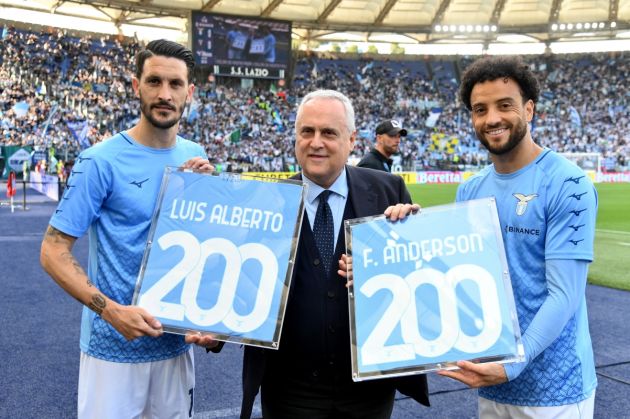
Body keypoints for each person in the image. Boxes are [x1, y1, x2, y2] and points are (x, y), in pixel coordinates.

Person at [40, 39, 218, 419]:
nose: (164, 94)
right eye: (154, 81)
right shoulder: (99, 161)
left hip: (174, 348)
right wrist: (110, 311)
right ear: (136, 86)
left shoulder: (195, 155)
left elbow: (201, 244)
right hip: (112, 351)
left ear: (190, 93)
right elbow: (53, 250)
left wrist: (211, 320)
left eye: (175, 84)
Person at [240, 90, 429, 419]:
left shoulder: (389, 191)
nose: (316, 142)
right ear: (295, 136)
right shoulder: (265, 201)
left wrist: (408, 248)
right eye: (307, 131)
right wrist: (211, 333)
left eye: (329, 132)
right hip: (288, 391)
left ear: (352, 139)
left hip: (368, 391)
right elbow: (240, 287)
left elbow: (420, 281)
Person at [437, 55, 598, 418]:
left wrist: (512, 363)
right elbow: (459, 277)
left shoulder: (569, 185)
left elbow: (564, 295)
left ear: (529, 109)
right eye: (480, 109)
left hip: (556, 391)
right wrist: (399, 232)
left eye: (504, 105)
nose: (492, 118)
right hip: (493, 380)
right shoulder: (470, 190)